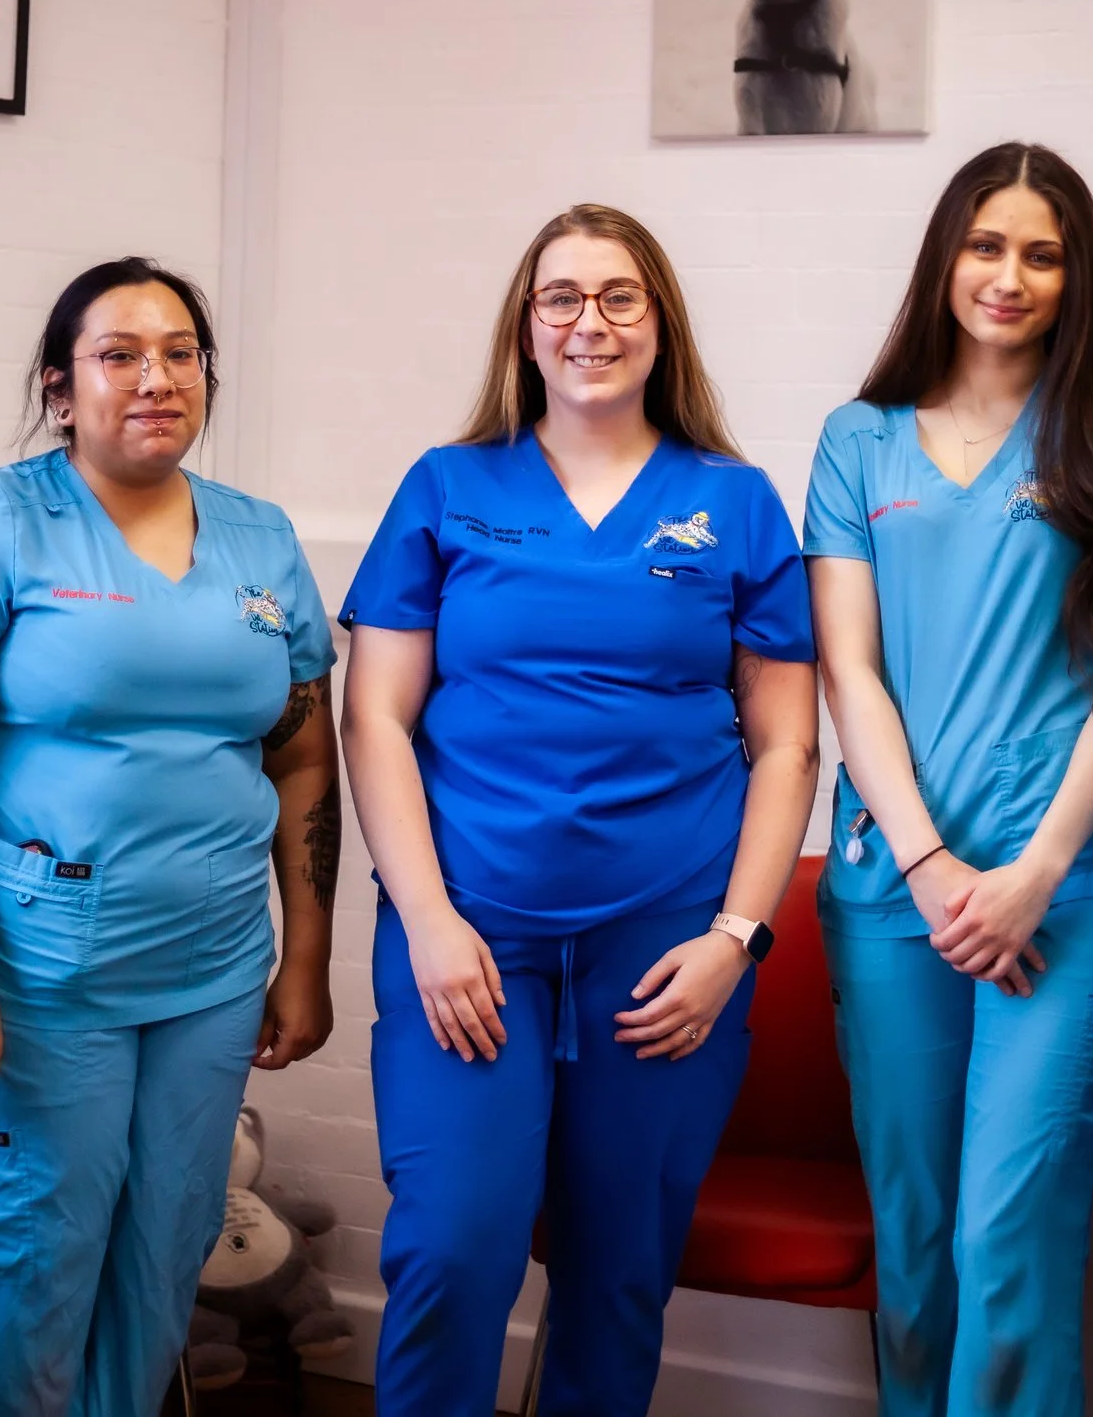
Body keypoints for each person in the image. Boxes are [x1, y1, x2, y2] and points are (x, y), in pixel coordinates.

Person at [340, 204, 820, 1417]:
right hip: (470, 942)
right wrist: (429, 919)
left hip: (663, 952)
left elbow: (785, 743)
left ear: (660, 325)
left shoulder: (735, 500)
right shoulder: (447, 487)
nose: (588, 321)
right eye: (561, 296)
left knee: (616, 1279)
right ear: (525, 325)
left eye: (619, 296)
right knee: (451, 1251)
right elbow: (376, 720)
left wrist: (734, 940)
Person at [0, 258, 341, 1416]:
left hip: (213, 966)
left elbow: (301, 755)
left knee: (161, 1261)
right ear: (60, 385)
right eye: (119, 354)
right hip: (36, 974)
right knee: (32, 1266)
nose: (155, 378)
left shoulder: (259, 538)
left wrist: (308, 957)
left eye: (181, 352)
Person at [804, 143, 1093, 1416]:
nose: (1009, 275)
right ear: (944, 257)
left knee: (1007, 1241)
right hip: (894, 894)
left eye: (1041, 251)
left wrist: (1030, 874)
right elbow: (849, 673)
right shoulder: (857, 441)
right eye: (987, 244)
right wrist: (929, 871)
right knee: (915, 1251)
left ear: (1074, 276)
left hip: (1068, 897)